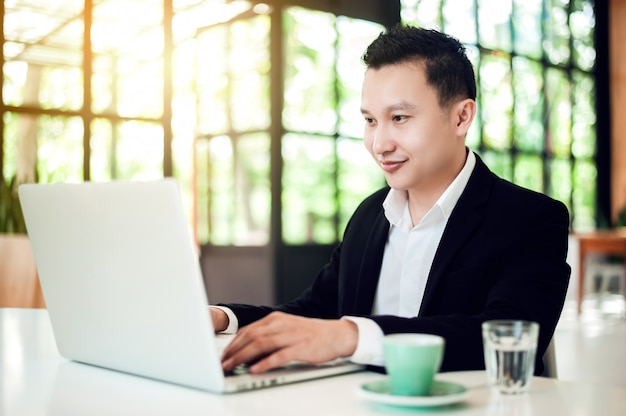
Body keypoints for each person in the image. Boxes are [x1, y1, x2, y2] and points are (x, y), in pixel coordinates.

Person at [210, 25, 571, 376]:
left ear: (461, 116)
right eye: (370, 120)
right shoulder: (370, 214)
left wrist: (353, 336)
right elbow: (316, 312)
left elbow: (505, 339)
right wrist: (226, 318)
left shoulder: (531, 219)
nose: (380, 143)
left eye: (399, 118)